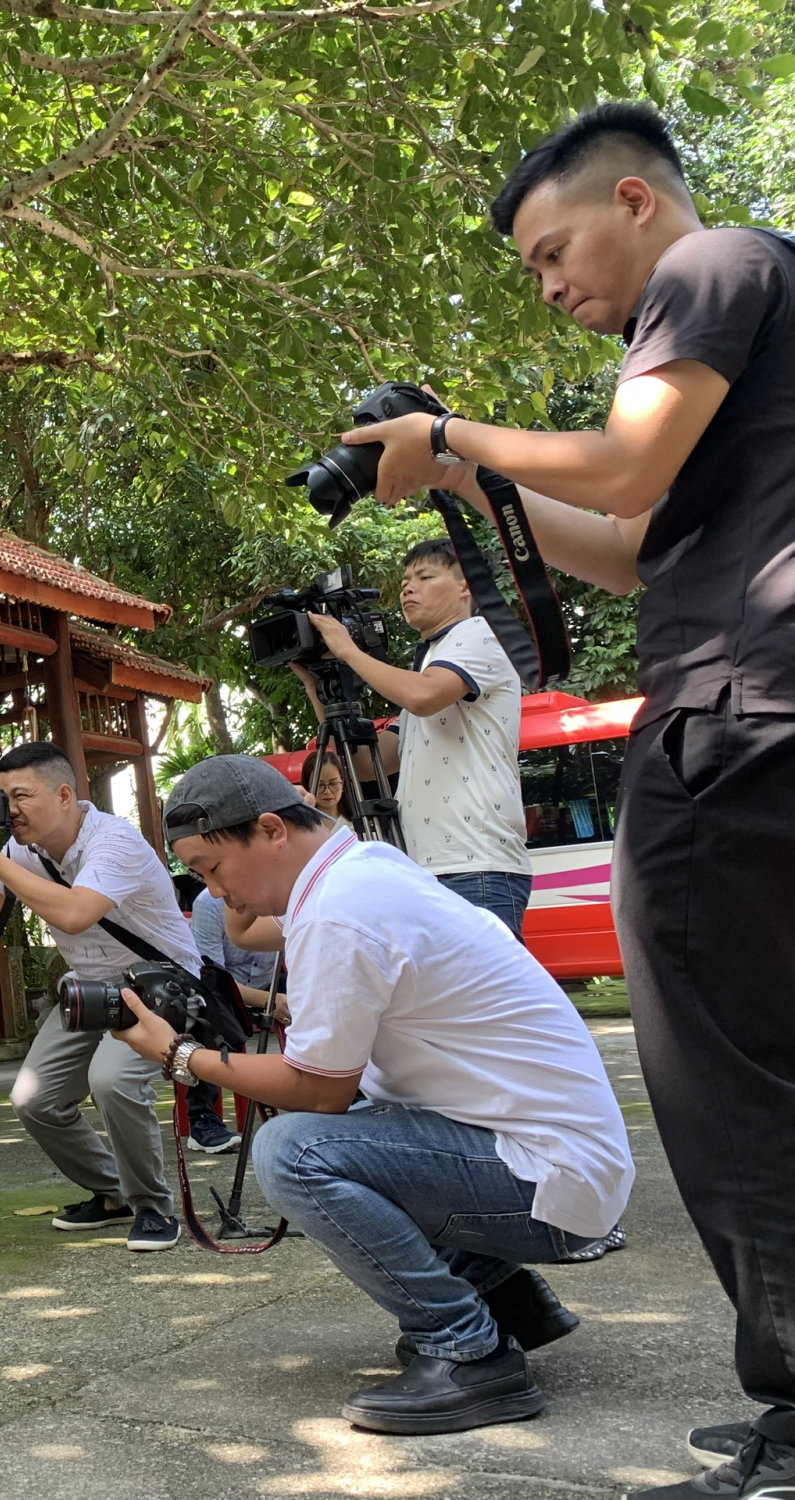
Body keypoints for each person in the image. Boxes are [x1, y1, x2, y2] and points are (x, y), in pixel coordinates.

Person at [346, 102, 795, 1497]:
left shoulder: (715, 266)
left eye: (554, 250)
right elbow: (626, 546)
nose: (549, 286)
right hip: (756, 708)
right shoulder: (748, 347)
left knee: (735, 1096)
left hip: (737, 725)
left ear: (638, 202)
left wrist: (449, 427)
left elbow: (623, 464)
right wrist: (468, 472)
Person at [121, 755, 632, 1435]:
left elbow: (317, 1091)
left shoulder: (340, 911)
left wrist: (181, 1055)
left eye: (211, 869)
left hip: (549, 1179)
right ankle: (505, 1300)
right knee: (356, 1128)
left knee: (291, 1152)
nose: (211, 891)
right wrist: (234, 909)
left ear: (272, 829)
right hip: (558, 1161)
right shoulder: (362, 871)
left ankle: (467, 1352)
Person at [0, 741, 198, 1249]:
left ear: (64, 795)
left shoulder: (114, 841)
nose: (9, 808)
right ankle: (113, 1193)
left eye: (22, 795)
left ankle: (153, 1207)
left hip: (157, 985)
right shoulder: (19, 849)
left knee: (111, 1080)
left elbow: (76, 913)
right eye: (3, 796)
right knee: (33, 1099)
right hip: (88, 987)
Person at [295, 540, 532, 939]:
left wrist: (348, 651)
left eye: (424, 577)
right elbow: (368, 764)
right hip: (431, 867)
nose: (407, 588)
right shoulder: (432, 664)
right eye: (405, 580)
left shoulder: (479, 634)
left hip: (477, 865)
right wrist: (316, 686)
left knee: (479, 1001)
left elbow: (422, 696)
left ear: (465, 587)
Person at [182, 887, 283, 1155]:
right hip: (224, 991)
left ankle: (345, 1093)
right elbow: (211, 979)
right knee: (204, 1010)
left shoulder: (281, 892)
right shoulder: (209, 904)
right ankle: (203, 1120)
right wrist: (270, 1001)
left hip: (270, 984)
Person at [300, 748, 348, 825]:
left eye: (333, 783)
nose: (327, 792)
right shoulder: (302, 823)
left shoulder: (359, 820)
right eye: (320, 785)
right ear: (308, 785)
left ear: (342, 783)